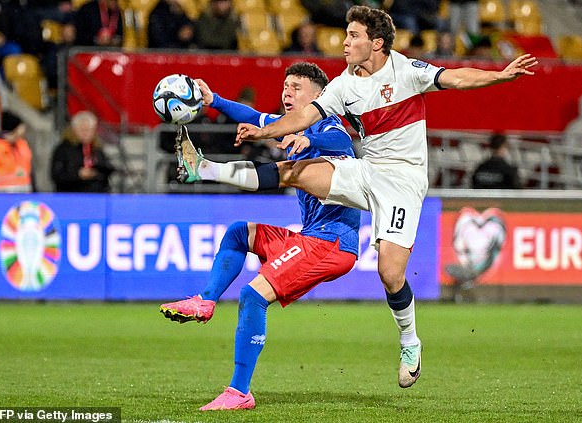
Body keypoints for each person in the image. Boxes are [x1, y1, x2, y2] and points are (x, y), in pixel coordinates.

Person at [193, 4, 535, 392]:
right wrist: (260, 133)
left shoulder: (405, 70)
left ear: (376, 43)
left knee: (390, 273)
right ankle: (209, 170)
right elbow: (304, 117)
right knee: (299, 172)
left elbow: (455, 77)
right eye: (345, 34)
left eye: (353, 35)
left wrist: (500, 75)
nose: (344, 42)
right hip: (368, 169)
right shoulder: (343, 84)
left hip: (402, 182)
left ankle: (409, 341)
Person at [159, 62, 361, 410]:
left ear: (319, 97)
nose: (287, 92)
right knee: (239, 233)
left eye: (296, 87)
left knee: (253, 296)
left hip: (332, 242)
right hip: (312, 236)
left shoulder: (331, 128)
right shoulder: (288, 126)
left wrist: (308, 137)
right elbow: (253, 114)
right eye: (285, 86)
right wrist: (213, 99)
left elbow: (336, 139)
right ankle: (206, 301)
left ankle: (239, 392)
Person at [50, 111, 115, 192]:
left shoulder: (97, 148)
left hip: (97, 195)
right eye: (82, 130)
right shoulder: (63, 149)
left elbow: (105, 168)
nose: (86, 133)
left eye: (89, 130)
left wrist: (97, 172)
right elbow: (56, 175)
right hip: (72, 195)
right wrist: (78, 174)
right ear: (74, 130)